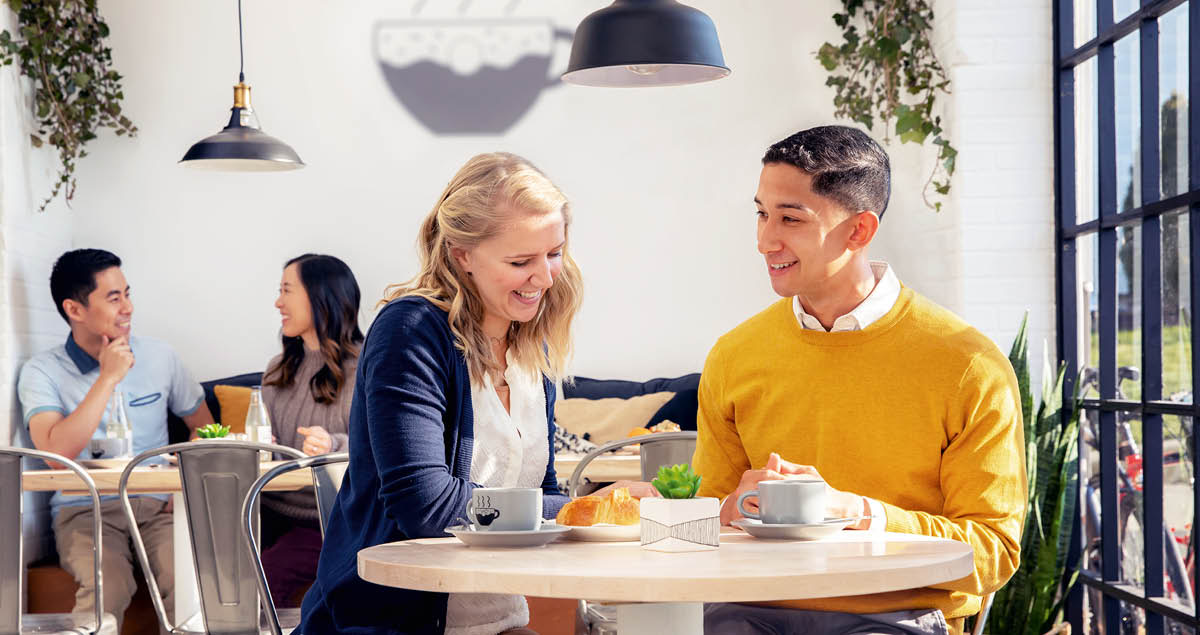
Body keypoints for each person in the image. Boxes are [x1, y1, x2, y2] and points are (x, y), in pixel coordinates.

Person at [693, 126, 1026, 635]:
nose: (764, 240)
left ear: (858, 231)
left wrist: (861, 513)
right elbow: (700, 526)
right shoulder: (734, 356)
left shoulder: (968, 365)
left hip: (895, 618)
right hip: (748, 613)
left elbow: (993, 551)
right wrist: (726, 510)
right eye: (761, 213)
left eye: (790, 218)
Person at [298, 152, 582, 634]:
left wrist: (585, 515)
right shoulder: (411, 331)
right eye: (520, 261)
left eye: (553, 253)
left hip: (499, 621)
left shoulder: (531, 347)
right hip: (391, 623)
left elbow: (542, 494)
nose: (546, 277)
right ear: (461, 254)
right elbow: (426, 507)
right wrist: (584, 510)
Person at [17, 248, 216, 628]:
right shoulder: (41, 371)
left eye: (127, 294)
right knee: (110, 586)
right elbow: (56, 456)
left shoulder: (161, 357)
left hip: (159, 505)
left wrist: (185, 487)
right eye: (113, 298)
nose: (127, 308)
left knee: (187, 583)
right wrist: (108, 377)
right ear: (75, 310)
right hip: (85, 509)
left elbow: (204, 429)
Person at [258, 253, 362, 608]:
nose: (278, 302)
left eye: (287, 291)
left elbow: (382, 446)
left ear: (320, 297)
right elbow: (266, 445)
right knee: (214, 549)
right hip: (267, 509)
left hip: (330, 519)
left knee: (265, 572)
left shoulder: (366, 367)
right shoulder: (278, 369)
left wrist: (334, 444)